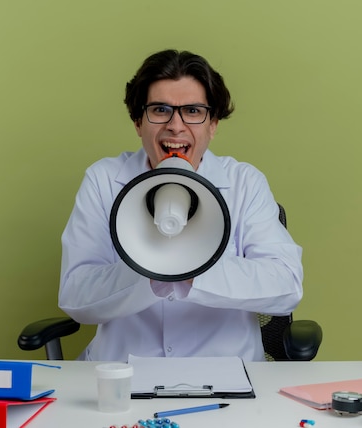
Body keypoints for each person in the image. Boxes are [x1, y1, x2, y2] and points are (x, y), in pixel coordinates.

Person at [58, 49, 303, 361]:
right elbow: (76, 295)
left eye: (193, 111)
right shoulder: (104, 179)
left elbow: (286, 286)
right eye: (160, 110)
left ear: (213, 124)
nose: (176, 125)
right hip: (123, 376)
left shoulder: (245, 182)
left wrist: (195, 269)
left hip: (225, 373)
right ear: (138, 122)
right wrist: (148, 270)